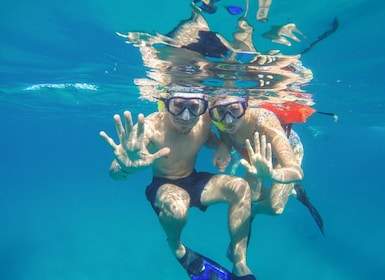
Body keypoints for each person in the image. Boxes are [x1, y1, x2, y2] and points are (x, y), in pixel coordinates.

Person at [99, 92, 256, 279]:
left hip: (193, 179)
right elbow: (114, 171)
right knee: (176, 209)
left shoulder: (205, 119)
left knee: (241, 188)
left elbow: (209, 138)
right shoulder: (150, 126)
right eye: (178, 106)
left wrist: (222, 146)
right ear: (166, 104)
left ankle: (240, 262)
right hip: (164, 184)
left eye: (194, 108)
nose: (186, 116)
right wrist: (125, 167)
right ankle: (176, 245)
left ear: (203, 106)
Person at [208, 95, 324, 235]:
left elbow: (296, 172)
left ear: (247, 105)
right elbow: (226, 140)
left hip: (286, 155)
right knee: (250, 196)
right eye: (220, 111)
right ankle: (291, 191)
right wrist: (224, 148)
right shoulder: (221, 122)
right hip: (257, 159)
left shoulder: (265, 123)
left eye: (234, 109)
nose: (228, 119)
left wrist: (272, 174)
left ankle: (260, 208)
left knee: (275, 208)